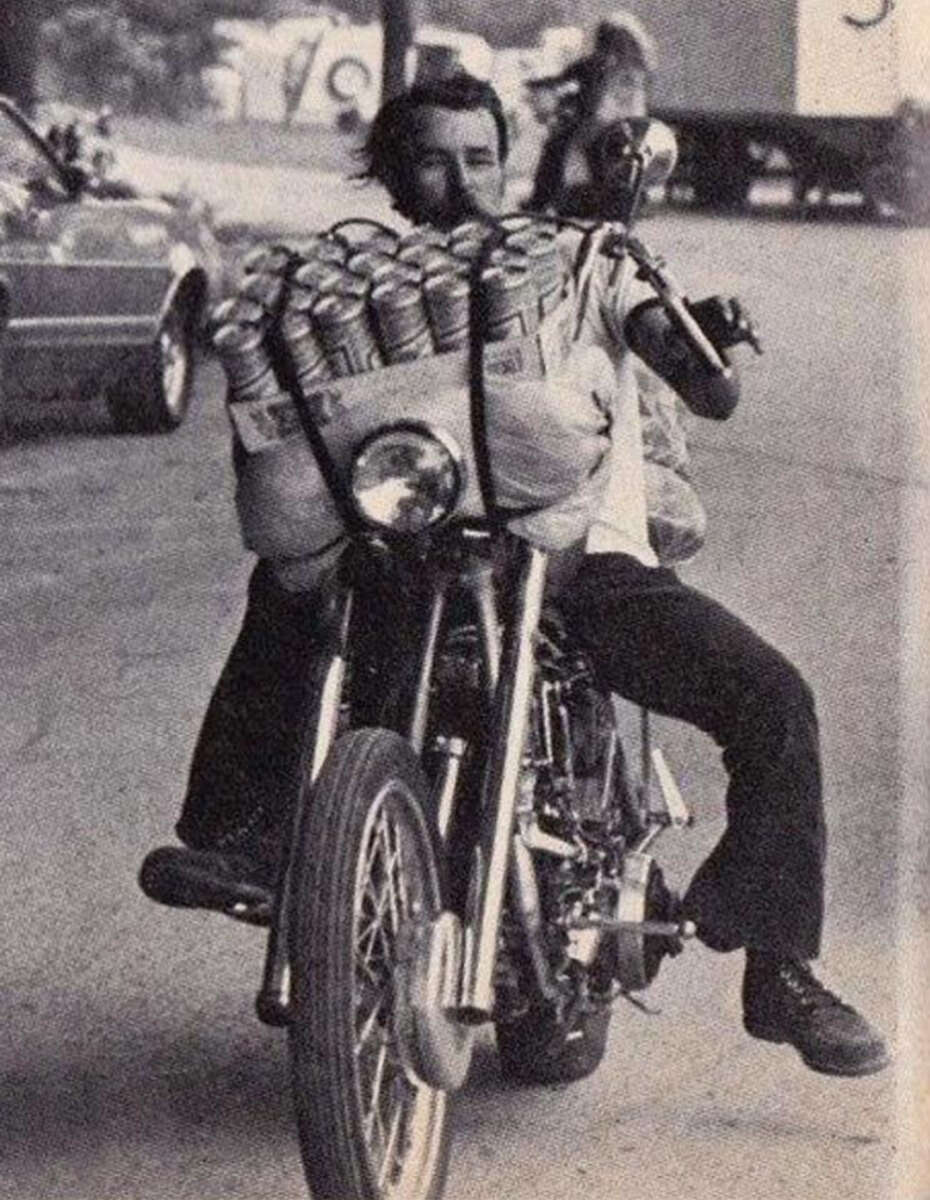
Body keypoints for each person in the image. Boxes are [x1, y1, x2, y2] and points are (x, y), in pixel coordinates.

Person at [140, 71, 888, 1079]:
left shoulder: (578, 260)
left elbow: (687, 364)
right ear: (392, 174)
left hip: (583, 565)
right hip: (402, 558)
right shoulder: (347, 286)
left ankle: (780, 967)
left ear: (508, 162)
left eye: (480, 158)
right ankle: (246, 835)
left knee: (775, 698)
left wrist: (696, 337)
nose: (460, 182)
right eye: (431, 161)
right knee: (285, 591)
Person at [525, 10, 657, 213]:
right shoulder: (641, 66)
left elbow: (568, 81)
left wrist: (536, 84)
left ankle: (540, 201)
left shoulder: (598, 62)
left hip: (602, 122)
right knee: (602, 159)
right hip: (633, 125)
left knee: (556, 147)